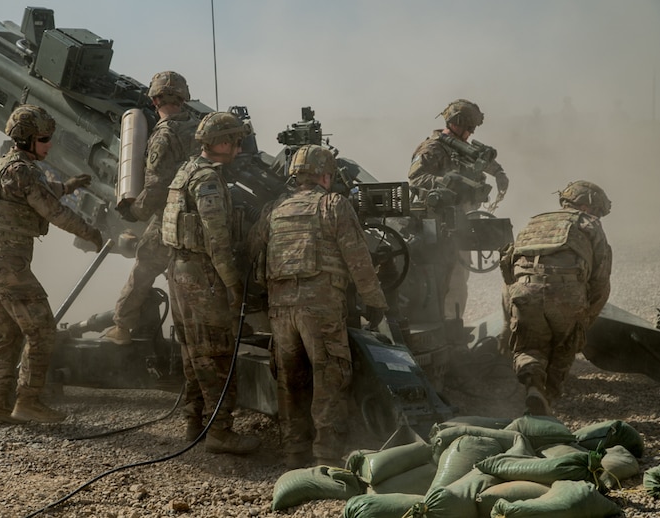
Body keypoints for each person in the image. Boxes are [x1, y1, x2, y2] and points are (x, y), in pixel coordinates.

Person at [251, 144, 388, 469]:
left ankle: (294, 455)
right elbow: (359, 260)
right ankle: (327, 455)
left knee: (289, 380)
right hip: (321, 307)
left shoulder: (274, 209)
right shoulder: (333, 205)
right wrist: (374, 301)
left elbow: (256, 259)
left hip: (281, 310)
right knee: (329, 377)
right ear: (325, 175)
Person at [0, 104, 104, 424]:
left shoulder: (7, 165)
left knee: (7, 335)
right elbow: (53, 212)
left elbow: (37, 195)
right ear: (28, 139)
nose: (49, 144)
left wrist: (69, 186)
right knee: (43, 330)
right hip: (8, 262)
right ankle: (28, 401)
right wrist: (92, 234)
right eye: (44, 138)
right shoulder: (24, 170)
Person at [161, 111, 260, 454]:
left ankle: (194, 423)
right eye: (234, 139)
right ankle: (220, 431)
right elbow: (217, 241)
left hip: (178, 270)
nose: (238, 146)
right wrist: (233, 286)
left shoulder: (185, 170)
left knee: (192, 352)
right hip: (202, 274)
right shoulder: (208, 181)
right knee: (217, 353)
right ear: (219, 143)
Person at [500, 180, 612, 415]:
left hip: (524, 292)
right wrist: (585, 320)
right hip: (567, 294)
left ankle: (533, 387)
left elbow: (508, 271)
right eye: (598, 212)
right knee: (563, 347)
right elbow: (601, 280)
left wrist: (508, 318)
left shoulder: (534, 222)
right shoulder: (589, 224)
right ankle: (547, 401)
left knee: (529, 347)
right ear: (588, 207)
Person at [104, 71, 199, 344]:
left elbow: (157, 186)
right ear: (184, 98)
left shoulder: (163, 135)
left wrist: (136, 212)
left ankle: (122, 326)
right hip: (200, 213)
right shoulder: (198, 128)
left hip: (170, 216)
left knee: (144, 267)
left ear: (155, 100)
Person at [408, 99, 509, 322]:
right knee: (446, 278)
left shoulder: (461, 147)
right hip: (438, 225)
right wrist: (447, 182)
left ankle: (453, 325)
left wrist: (499, 174)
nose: (471, 132)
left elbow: (482, 161)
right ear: (456, 123)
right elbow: (415, 178)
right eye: (469, 127)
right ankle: (446, 330)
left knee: (459, 278)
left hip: (461, 222)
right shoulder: (433, 148)